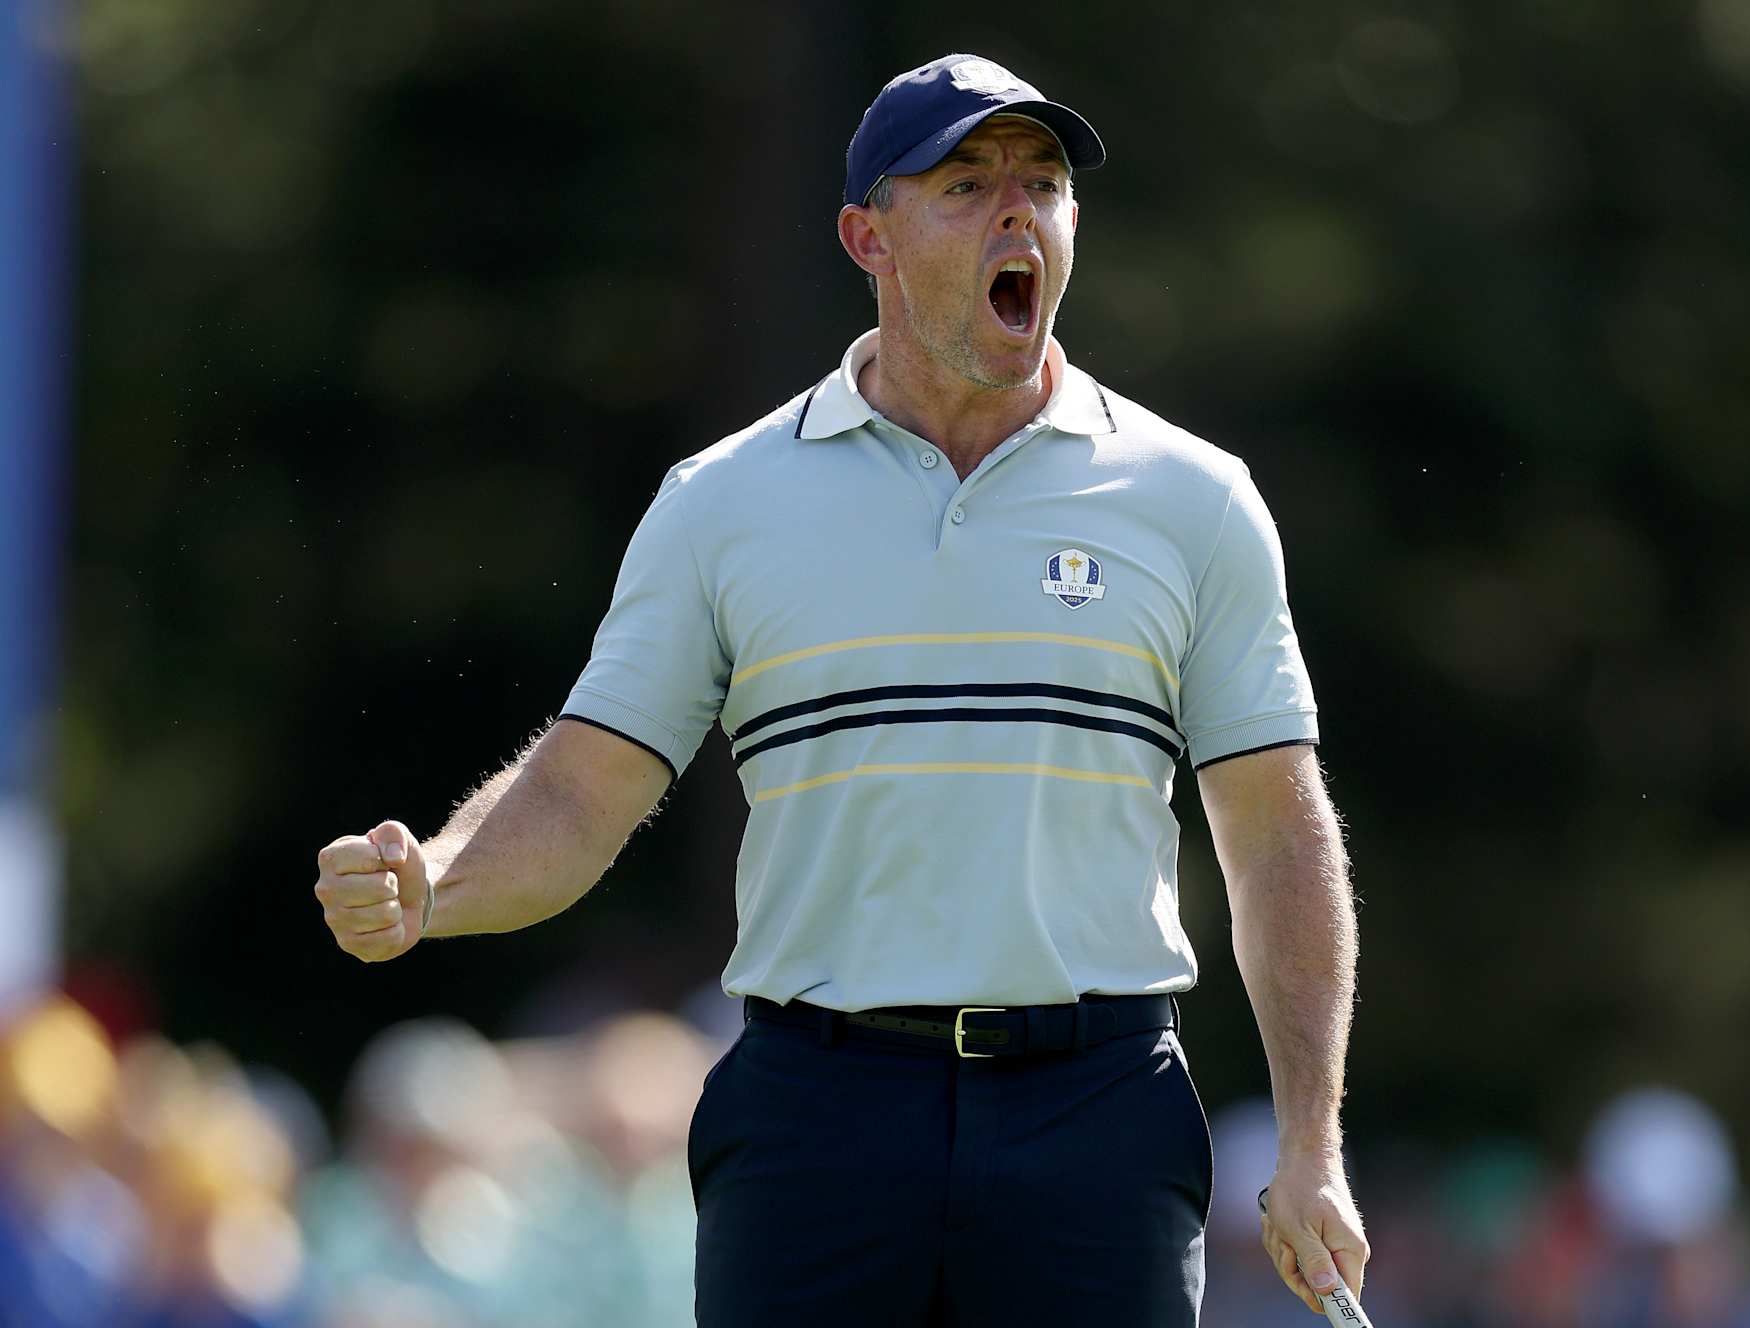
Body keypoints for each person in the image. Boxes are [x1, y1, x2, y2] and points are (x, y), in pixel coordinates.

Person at [310, 52, 1367, 1326]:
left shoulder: (1193, 499)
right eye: (967, 185)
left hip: (1095, 1112)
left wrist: (1311, 1140)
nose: (1018, 211)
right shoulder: (723, 502)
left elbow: (1276, 836)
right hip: (818, 1116)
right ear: (870, 237)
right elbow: (582, 790)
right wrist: (435, 877)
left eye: (1042, 184)